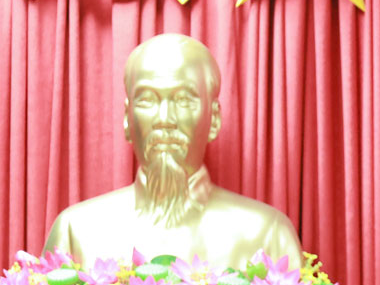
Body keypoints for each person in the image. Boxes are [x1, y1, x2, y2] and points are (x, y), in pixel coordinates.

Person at [43, 33, 302, 267]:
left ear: (213, 119)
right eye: (147, 100)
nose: (164, 119)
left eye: (183, 100)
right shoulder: (75, 232)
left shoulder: (267, 235)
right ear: (126, 119)